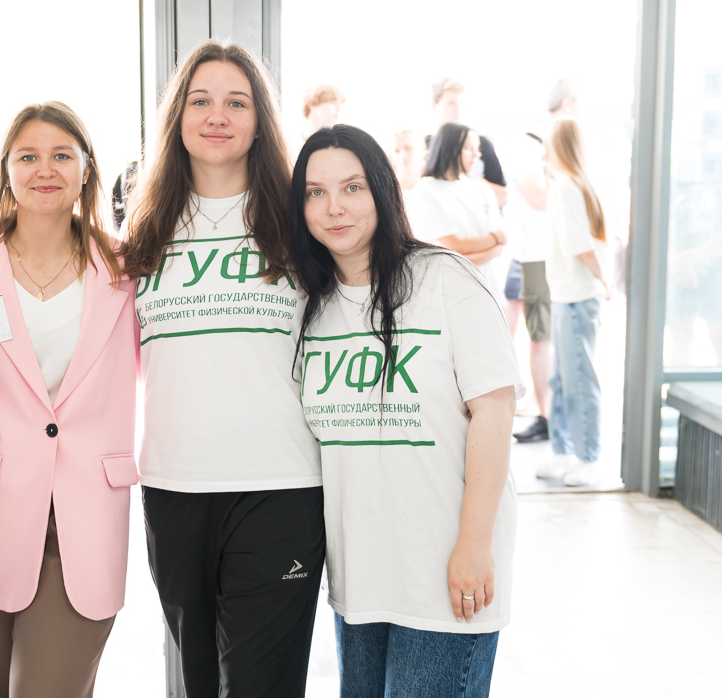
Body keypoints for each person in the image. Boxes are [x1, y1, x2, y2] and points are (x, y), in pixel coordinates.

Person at [120, 40, 325, 697]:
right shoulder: (143, 232)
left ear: (260, 121)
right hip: (173, 488)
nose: (217, 115)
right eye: (200, 100)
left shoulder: (299, 225)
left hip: (280, 486)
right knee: (199, 682)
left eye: (237, 102)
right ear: (177, 118)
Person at [291, 124, 521, 698]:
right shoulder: (312, 307)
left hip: (446, 575)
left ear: (383, 192)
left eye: (352, 187)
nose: (334, 207)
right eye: (316, 192)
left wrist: (474, 545)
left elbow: (494, 411)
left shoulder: (445, 279)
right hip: (361, 582)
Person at [0, 102, 138, 698]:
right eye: (28, 156)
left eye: (61, 156)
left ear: (86, 169)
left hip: (87, 519)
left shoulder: (129, 272)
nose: (44, 169)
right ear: (6, 170)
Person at [536, 118, 610, 487]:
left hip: (577, 297)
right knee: (564, 378)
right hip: (569, 295)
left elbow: (581, 247)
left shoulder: (565, 188)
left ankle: (586, 457)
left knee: (578, 379)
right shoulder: (574, 185)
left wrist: (605, 281)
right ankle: (564, 451)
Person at [511, 79, 578, 443]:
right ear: (567, 104)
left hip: (567, 252)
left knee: (563, 337)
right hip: (539, 255)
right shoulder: (530, 142)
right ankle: (547, 417)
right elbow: (536, 196)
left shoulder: (561, 143)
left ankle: (559, 418)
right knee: (542, 338)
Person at [410, 123, 508, 295]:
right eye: (468, 148)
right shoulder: (426, 190)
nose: (477, 155)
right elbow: (454, 246)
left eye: (477, 148)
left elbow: (502, 242)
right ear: (449, 149)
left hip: (487, 285)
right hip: (451, 288)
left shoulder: (480, 188)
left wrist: (463, 258)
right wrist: (494, 238)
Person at [428, 77, 507, 208]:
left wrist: (463, 171)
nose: (458, 109)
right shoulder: (424, 146)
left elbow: (503, 198)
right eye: (451, 103)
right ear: (435, 105)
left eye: (461, 103)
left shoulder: (482, 144)